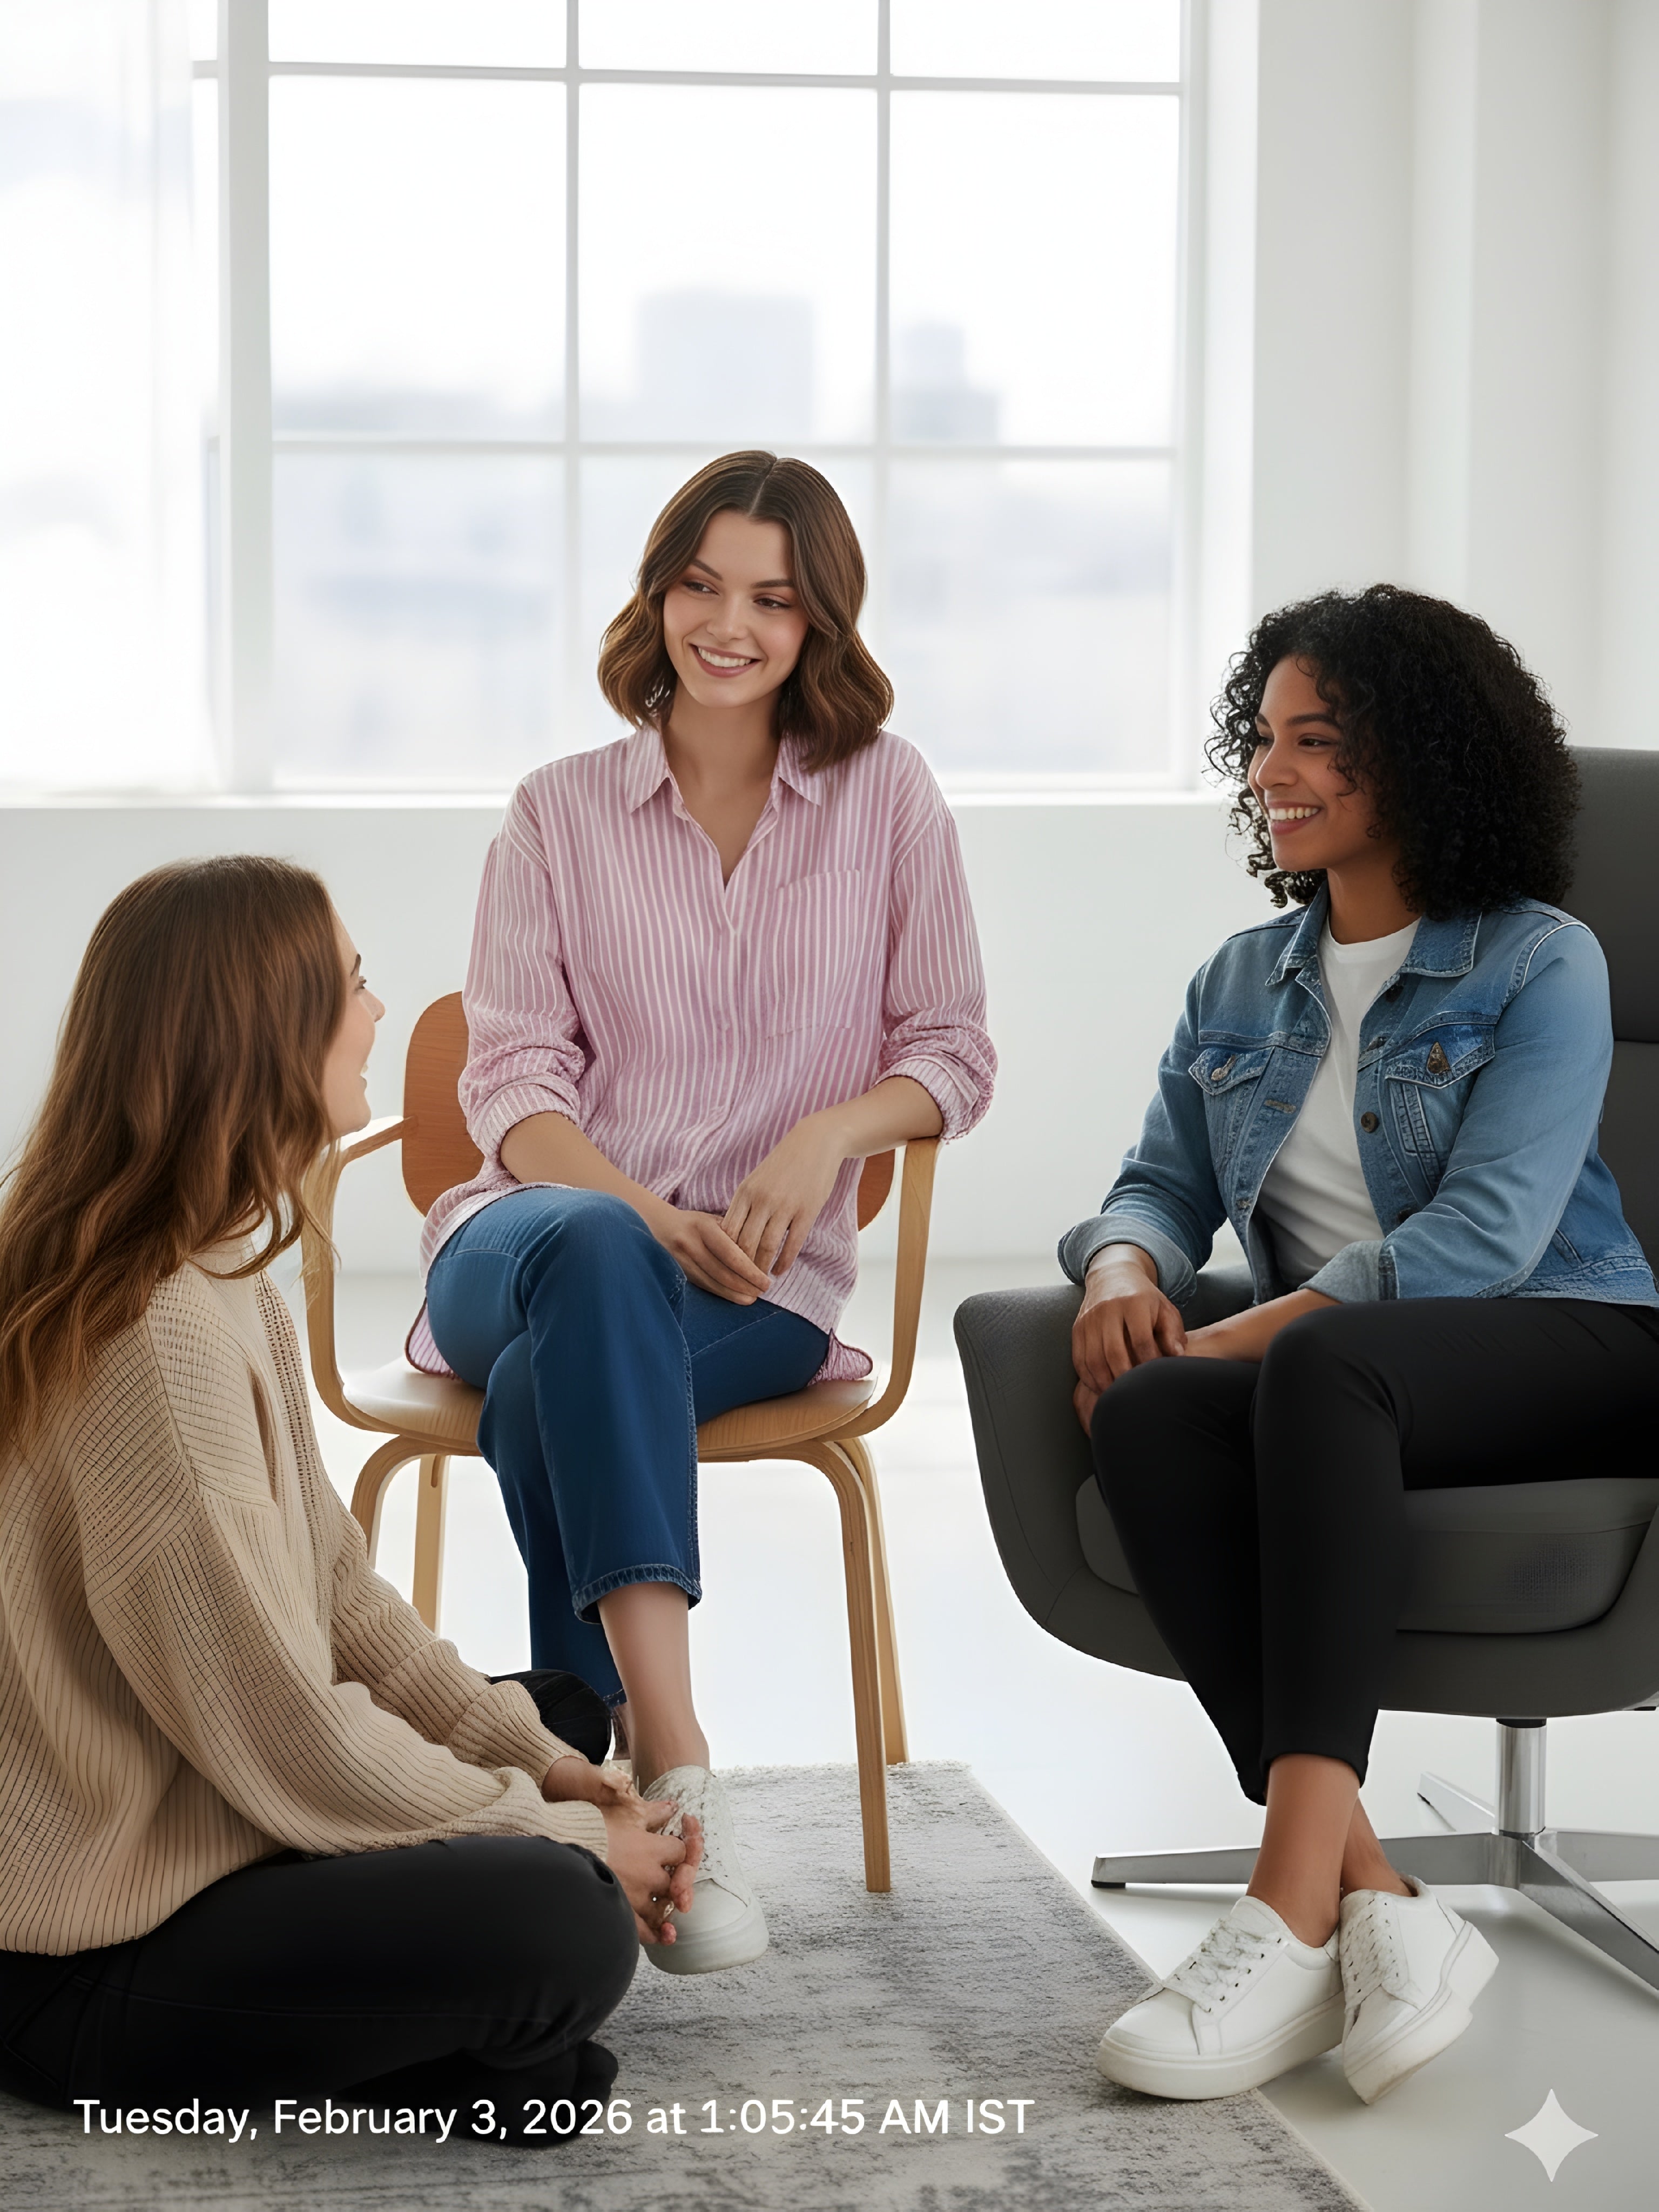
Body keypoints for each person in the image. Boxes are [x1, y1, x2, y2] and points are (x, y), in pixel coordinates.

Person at [1067, 586, 1659, 2105]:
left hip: (1577, 1346)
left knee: (1315, 1360)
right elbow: (1158, 1184)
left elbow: (1482, 1244)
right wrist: (1122, 1273)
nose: (1272, 773)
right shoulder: (1237, 981)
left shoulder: (1541, 963)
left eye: (1317, 742)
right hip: (1355, 1380)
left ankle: (1282, 1906)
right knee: (1142, 1413)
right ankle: (1379, 1895)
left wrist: (1239, 1338)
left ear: (1425, 759)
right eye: (1264, 740)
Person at [0, 857, 699, 2136]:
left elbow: (336, 1599)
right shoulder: (153, 1340)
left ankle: (444, 2050)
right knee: (565, 1930)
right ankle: (450, 2052)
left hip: (190, 1801)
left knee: (556, 1707)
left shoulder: (216, 1271)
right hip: (77, 1955)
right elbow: (286, 1724)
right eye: (356, 982)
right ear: (262, 1033)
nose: (378, 1012)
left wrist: (543, 1768)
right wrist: (561, 1841)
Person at [415, 450, 995, 1974]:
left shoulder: (889, 799)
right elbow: (514, 1085)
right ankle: (681, 1767)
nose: (726, 625)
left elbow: (952, 1051)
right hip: (522, 1236)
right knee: (587, 1266)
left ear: (822, 624)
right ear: (658, 589)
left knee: (558, 1389)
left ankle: (583, 1775)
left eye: (772, 598)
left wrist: (834, 1131)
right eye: (700, 584)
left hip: (758, 1292)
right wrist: (643, 1212)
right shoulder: (559, 814)